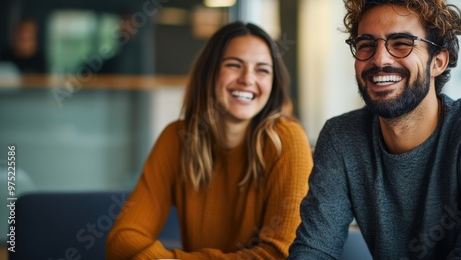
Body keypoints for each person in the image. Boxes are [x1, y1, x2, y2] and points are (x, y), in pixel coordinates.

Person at [288, 0, 461, 259]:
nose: (379, 59)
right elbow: (314, 250)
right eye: (366, 45)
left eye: (401, 43)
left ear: (438, 61)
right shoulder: (341, 137)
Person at [106, 21, 313, 259]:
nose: (248, 79)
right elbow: (121, 240)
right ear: (209, 73)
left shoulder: (286, 139)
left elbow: (280, 254)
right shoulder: (177, 139)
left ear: (273, 83)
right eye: (234, 65)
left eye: (262, 70)